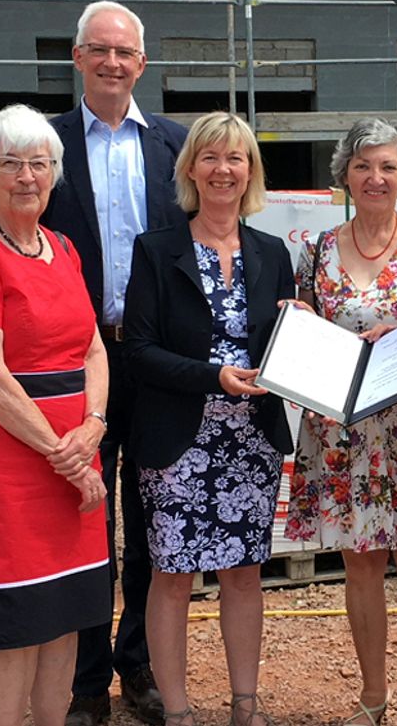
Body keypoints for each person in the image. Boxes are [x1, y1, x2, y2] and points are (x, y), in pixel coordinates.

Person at [0, 103, 112, 726]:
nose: (27, 176)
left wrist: (93, 426)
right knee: (17, 629)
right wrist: (66, 455)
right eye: (10, 163)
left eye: (40, 163)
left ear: (55, 173)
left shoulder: (63, 247)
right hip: (7, 466)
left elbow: (92, 349)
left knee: (65, 620)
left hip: (74, 454)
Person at [283, 117, 397, 726]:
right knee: (359, 561)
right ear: (345, 175)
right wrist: (297, 325)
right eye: (363, 165)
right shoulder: (316, 251)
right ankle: (371, 697)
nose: (376, 177)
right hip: (342, 428)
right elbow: (308, 329)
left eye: (388, 166)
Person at [41, 1, 189, 724]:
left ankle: (139, 664)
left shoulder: (176, 145)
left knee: (152, 518)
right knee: (84, 518)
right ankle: (85, 679)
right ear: (77, 59)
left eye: (123, 52)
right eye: (98, 50)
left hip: (156, 358)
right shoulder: (45, 145)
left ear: (141, 64)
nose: (111, 62)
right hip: (78, 360)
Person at [123, 111, 294, 726]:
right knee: (171, 576)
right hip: (178, 440)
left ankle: (245, 705)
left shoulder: (272, 252)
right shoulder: (156, 250)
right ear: (191, 169)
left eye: (236, 158)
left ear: (251, 171)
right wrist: (211, 376)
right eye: (211, 157)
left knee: (244, 575)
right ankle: (178, 712)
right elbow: (138, 349)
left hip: (251, 440)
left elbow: (283, 342)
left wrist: (298, 333)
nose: (224, 170)